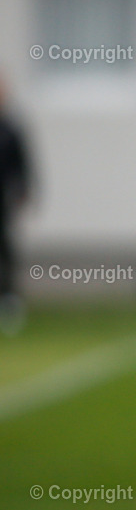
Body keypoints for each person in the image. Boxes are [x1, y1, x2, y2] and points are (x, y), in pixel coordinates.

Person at [0, 75, 32, 334]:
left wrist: (22, 191)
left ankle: (8, 300)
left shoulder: (11, 129)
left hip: (3, 201)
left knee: (6, 250)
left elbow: (23, 164)